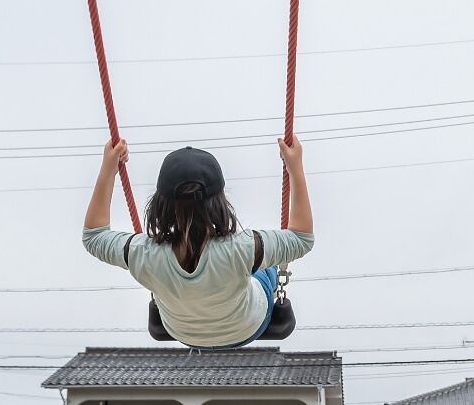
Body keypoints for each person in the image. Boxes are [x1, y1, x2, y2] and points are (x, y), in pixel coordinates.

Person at [83, 136, 314, 348]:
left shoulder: (142, 253)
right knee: (267, 268)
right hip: (247, 327)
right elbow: (301, 239)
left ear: (159, 204)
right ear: (221, 202)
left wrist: (109, 169)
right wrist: (296, 169)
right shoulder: (243, 248)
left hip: (182, 332)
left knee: (252, 263)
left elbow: (94, 236)